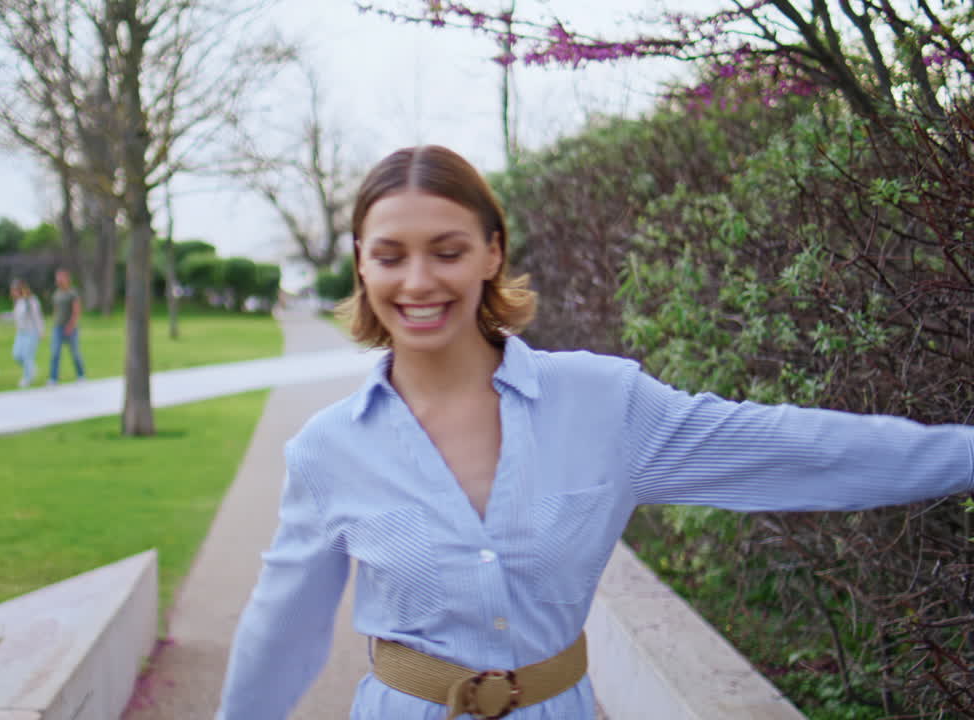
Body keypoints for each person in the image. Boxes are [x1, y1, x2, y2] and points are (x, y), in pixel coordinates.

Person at [215, 145, 974, 720]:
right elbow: (281, 630)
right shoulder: (327, 450)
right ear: (361, 265)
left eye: (447, 251)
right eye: (390, 256)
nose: (417, 282)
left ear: (492, 251)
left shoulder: (604, 403)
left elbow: (793, 449)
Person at [48, 268, 86, 384]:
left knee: (75, 353)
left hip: (70, 328)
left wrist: (71, 325)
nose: (58, 280)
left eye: (60, 277)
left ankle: (81, 375)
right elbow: (55, 310)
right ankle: (53, 378)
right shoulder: (56, 294)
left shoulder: (72, 293)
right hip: (57, 327)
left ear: (67, 279)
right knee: (55, 352)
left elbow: (77, 310)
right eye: (57, 277)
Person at [8, 278, 44, 388]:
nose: (12, 293)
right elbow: (15, 316)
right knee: (16, 355)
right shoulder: (19, 302)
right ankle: (32, 368)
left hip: (32, 333)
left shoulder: (32, 301)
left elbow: (37, 317)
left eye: (14, 290)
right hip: (21, 333)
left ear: (20, 290)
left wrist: (41, 331)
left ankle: (27, 378)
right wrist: (2, 317)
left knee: (27, 356)